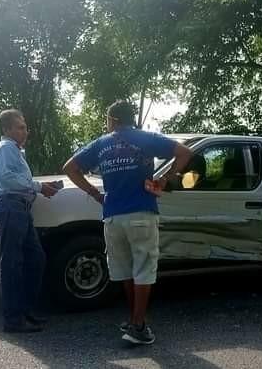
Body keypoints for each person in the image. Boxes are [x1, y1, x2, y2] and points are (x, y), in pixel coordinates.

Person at [63, 100, 192, 345]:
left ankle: (135, 321)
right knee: (143, 268)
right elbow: (185, 152)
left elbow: (70, 168)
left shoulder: (100, 144)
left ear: (112, 120)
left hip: (112, 215)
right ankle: (138, 325)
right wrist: (166, 178)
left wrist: (95, 194)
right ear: (131, 119)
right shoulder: (146, 138)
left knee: (124, 269)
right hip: (141, 212)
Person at [0, 109, 59, 333]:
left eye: (25, 127)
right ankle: (13, 319)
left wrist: (39, 188)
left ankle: (24, 311)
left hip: (20, 208)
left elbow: (19, 180)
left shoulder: (15, 150)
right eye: (20, 127)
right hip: (11, 207)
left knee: (35, 259)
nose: (25, 131)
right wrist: (39, 187)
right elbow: (8, 180)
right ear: (7, 129)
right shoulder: (6, 148)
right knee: (12, 264)